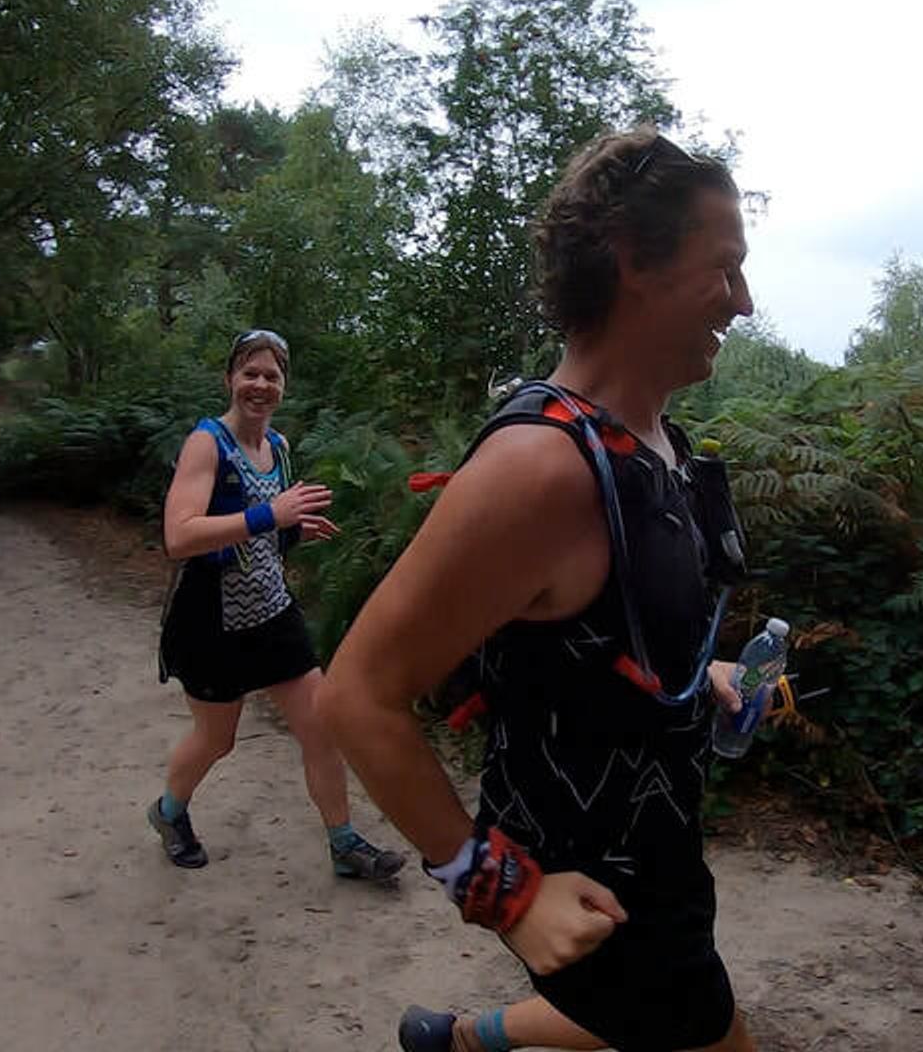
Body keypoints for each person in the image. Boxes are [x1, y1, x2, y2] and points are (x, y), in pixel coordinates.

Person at [316, 129, 760, 1052]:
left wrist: (699, 673)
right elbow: (357, 693)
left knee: (655, 1017)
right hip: (593, 881)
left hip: (662, 851)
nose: (744, 302)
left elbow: (596, 629)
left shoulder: (658, 445)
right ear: (636, 260)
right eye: (726, 270)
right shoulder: (543, 469)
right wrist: (501, 894)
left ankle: (462, 1038)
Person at [149, 328, 405, 882]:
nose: (260, 385)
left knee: (322, 727)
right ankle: (168, 813)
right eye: (250, 373)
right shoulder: (206, 442)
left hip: (272, 611)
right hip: (210, 620)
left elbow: (265, 530)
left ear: (284, 385)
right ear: (230, 379)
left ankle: (344, 843)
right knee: (218, 739)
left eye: (272, 375)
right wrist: (272, 517)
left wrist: (293, 531)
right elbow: (179, 535)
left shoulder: (279, 448)